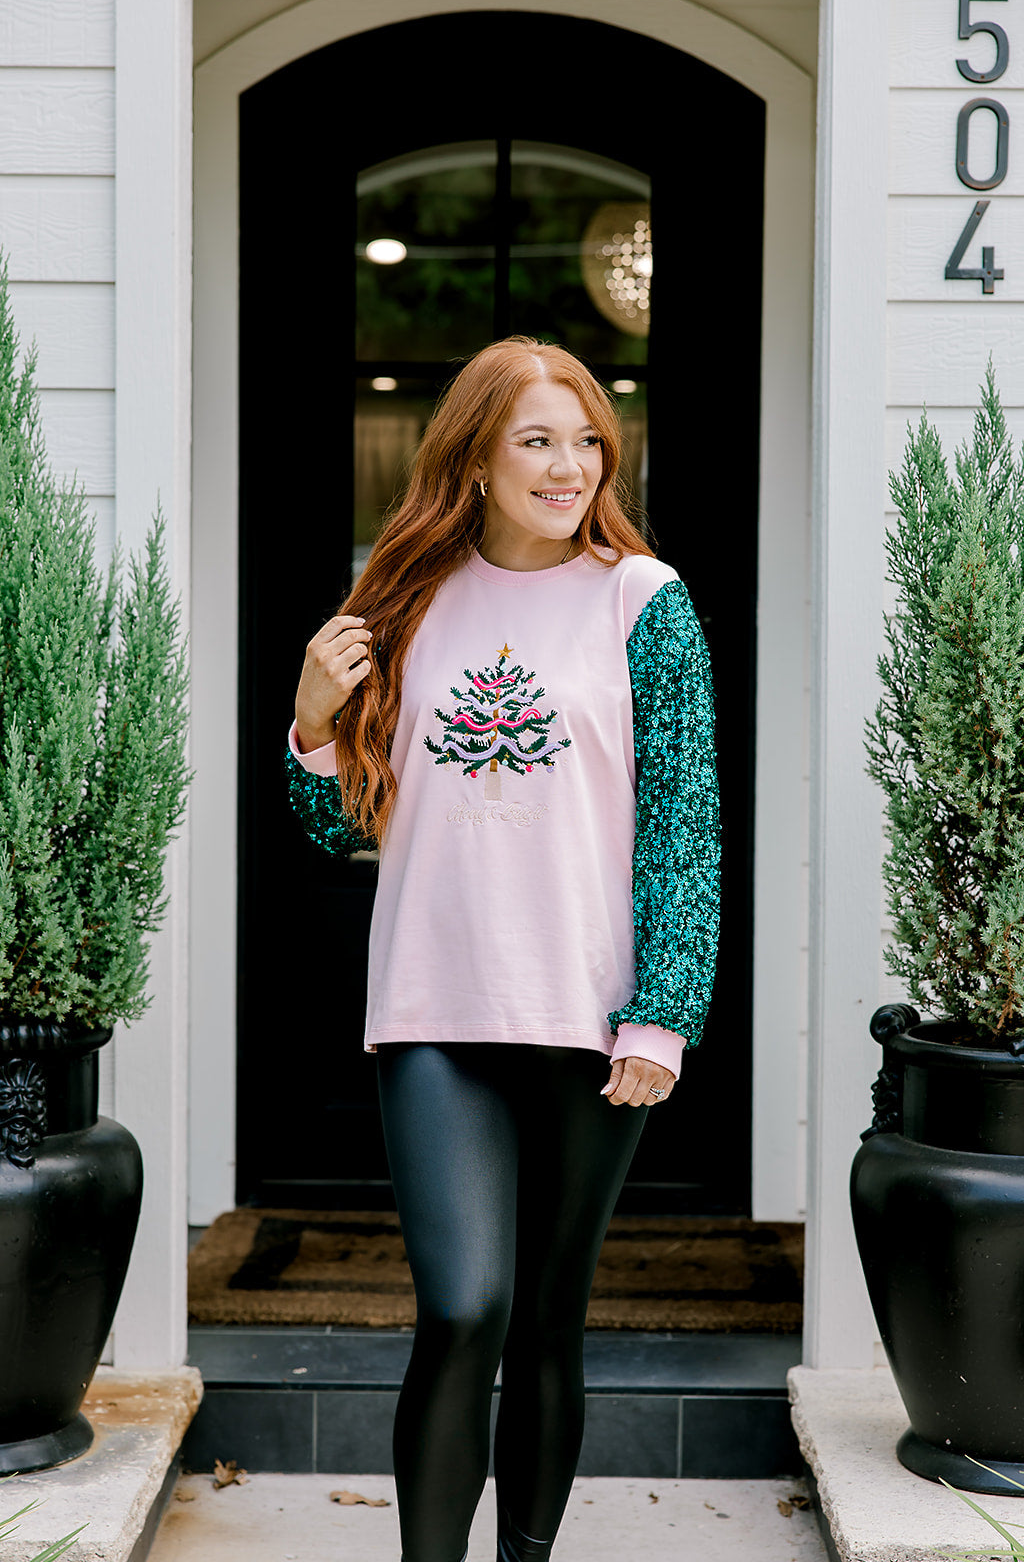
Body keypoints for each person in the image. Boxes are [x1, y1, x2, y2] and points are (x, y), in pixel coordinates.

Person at [287, 337, 719, 1562]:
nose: (567, 464)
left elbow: (683, 819)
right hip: (433, 1005)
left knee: (545, 1320)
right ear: (474, 454)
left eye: (586, 440)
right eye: (536, 438)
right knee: (464, 1306)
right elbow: (339, 823)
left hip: (589, 1018)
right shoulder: (402, 600)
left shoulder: (644, 600)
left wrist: (664, 1011)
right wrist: (312, 723)